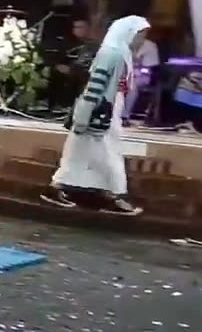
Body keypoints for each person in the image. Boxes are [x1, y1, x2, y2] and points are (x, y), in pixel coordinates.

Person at [41, 16, 149, 216]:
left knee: (81, 150)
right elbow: (95, 86)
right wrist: (86, 113)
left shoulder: (119, 53)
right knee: (109, 150)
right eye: (140, 34)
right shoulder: (113, 54)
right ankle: (116, 194)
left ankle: (58, 187)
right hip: (102, 109)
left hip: (104, 107)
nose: (142, 40)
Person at [48, 17, 97, 111]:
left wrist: (71, 70)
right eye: (75, 27)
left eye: (80, 27)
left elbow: (88, 63)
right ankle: (56, 105)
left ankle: (70, 105)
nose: (77, 30)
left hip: (83, 73)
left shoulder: (92, 45)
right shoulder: (67, 43)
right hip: (70, 71)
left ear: (87, 29)